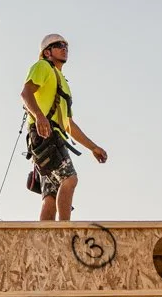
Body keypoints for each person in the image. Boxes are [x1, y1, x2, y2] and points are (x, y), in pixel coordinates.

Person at [21, 33, 107, 221]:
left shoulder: (63, 82)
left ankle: (46, 241)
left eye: (66, 46)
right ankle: (64, 231)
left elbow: (68, 124)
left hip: (52, 135)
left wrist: (93, 147)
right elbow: (26, 93)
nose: (64, 48)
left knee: (51, 195)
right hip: (45, 134)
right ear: (47, 52)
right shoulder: (42, 67)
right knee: (70, 179)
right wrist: (39, 116)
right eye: (58, 45)